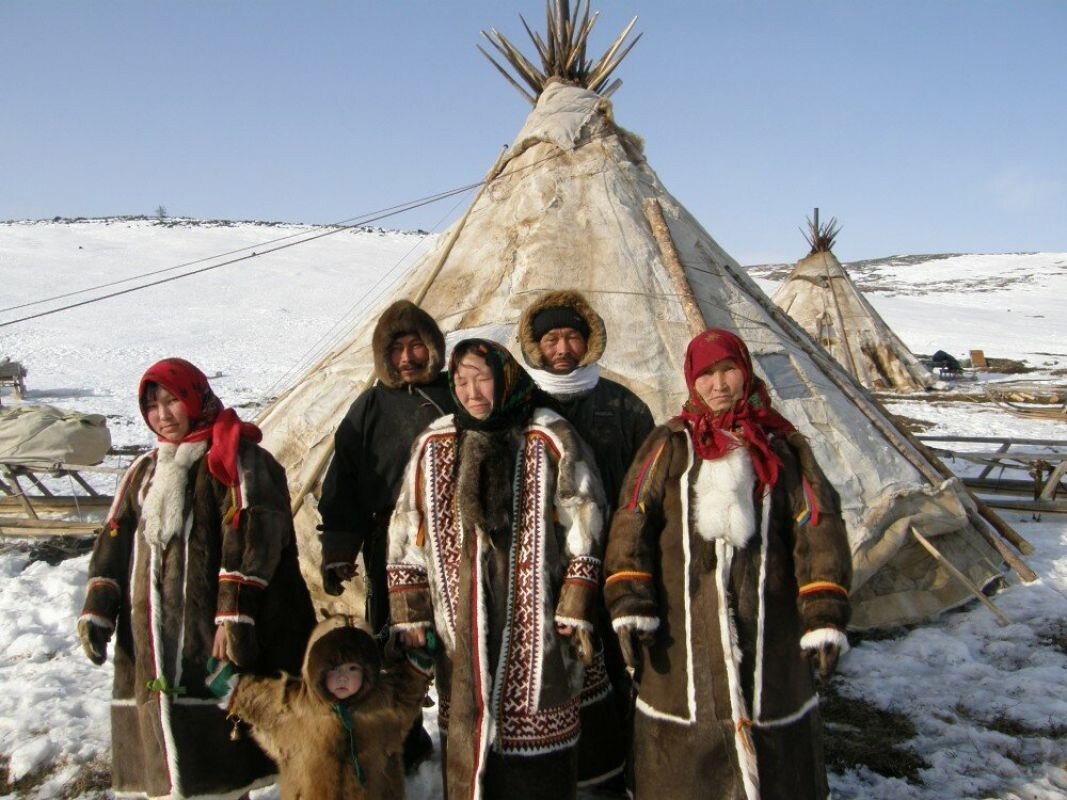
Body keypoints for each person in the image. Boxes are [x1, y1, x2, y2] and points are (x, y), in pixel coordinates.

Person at [603, 329, 852, 800]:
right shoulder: (669, 445)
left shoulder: (782, 446)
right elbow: (632, 518)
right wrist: (631, 600)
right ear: (692, 382)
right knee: (686, 743)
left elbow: (817, 526)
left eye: (727, 371)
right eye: (706, 375)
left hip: (770, 622)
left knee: (772, 731)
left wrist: (823, 612)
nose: (719, 385)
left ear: (745, 372)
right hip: (683, 627)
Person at [76, 357, 315, 799]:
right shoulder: (145, 471)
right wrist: (99, 607)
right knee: (169, 762)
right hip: (152, 637)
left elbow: (255, 535)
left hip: (213, 631)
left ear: (195, 398)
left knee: (222, 765)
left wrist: (232, 615)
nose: (163, 415)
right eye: (152, 405)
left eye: (172, 400)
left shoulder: (237, 459)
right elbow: (115, 537)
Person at [388, 339, 605, 800]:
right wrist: (411, 613)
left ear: (504, 378)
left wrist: (574, 602)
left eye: (481, 379)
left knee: (537, 750)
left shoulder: (549, 435)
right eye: (461, 382)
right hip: (459, 626)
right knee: (468, 736)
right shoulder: (433, 443)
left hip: (538, 628)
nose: (471, 392)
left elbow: (584, 517)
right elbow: (408, 529)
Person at [518, 290, 655, 791]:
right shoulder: (522, 405)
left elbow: (648, 485)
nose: (562, 347)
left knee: (617, 667)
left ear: (589, 341)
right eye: (551, 337)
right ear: (535, 346)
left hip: (614, 556)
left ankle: (619, 768)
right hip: (545, 565)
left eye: (572, 336)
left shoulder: (623, 404)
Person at [318, 299, 455, 770]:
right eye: (395, 350)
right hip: (389, 547)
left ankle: (466, 733)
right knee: (397, 641)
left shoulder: (460, 394)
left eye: (416, 346)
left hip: (456, 543)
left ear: (434, 348)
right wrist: (338, 549)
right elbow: (344, 481)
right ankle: (405, 738)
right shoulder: (370, 406)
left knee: (460, 642)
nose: (407, 358)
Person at [207, 616, 435, 799]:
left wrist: (419, 663)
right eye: (333, 670)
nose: (343, 678)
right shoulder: (294, 705)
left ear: (369, 670)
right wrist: (229, 686)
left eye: (353, 669)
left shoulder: (383, 701)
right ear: (315, 669)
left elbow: (407, 693)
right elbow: (256, 701)